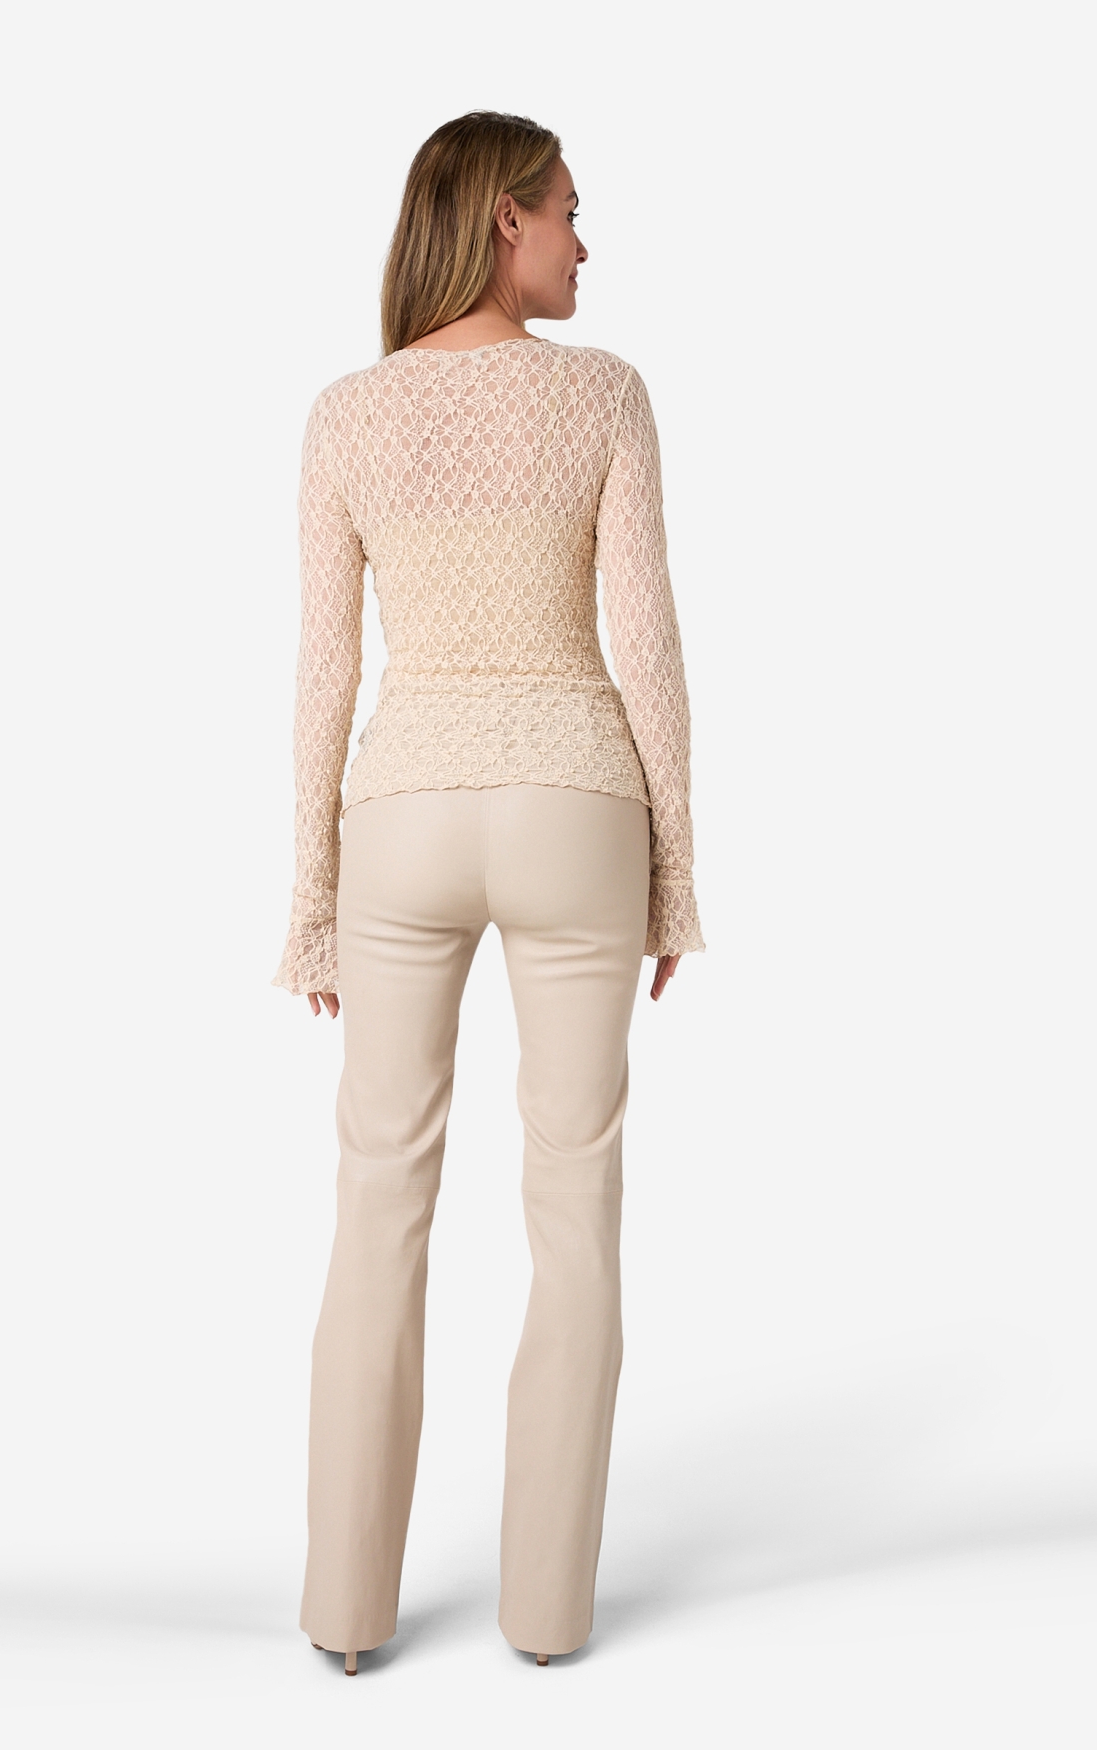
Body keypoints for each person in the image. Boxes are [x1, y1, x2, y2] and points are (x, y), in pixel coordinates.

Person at [273, 110, 705, 1675]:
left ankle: (344, 1615)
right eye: (569, 211)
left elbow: (326, 673)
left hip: (400, 812)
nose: (586, 242)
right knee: (573, 1203)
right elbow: (644, 642)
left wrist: (313, 894)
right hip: (576, 800)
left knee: (376, 1202)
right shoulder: (603, 396)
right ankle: (545, 1615)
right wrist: (674, 870)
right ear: (503, 219)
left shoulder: (345, 415)